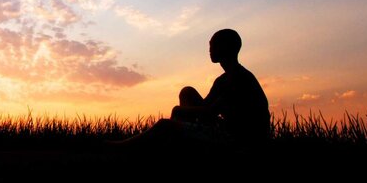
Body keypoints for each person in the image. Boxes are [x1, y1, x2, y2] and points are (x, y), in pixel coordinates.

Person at [115, 29, 270, 147]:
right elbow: (206, 107)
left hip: (243, 139)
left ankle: (121, 147)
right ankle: (182, 136)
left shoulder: (239, 78)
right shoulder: (222, 80)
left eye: (213, 45)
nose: (209, 49)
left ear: (227, 47)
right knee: (187, 92)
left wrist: (178, 111)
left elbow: (209, 112)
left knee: (165, 124)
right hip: (229, 130)